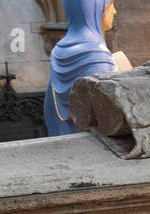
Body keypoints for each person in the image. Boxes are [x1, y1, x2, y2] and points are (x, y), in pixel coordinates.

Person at [44, 0, 132, 136]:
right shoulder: (96, 53)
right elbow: (112, 113)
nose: (114, 11)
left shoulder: (60, 49)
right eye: (109, 5)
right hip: (94, 148)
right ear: (95, 9)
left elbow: (49, 110)